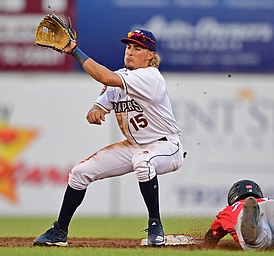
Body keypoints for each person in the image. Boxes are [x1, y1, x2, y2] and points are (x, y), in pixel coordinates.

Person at [33, 29, 185, 247]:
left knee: (143, 162)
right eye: (128, 47)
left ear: (150, 55)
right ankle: (59, 232)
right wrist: (95, 110)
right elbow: (101, 103)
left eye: (138, 48)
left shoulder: (150, 77)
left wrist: (75, 51)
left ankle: (155, 227)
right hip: (134, 145)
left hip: (166, 146)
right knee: (79, 173)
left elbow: (104, 77)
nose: (130, 51)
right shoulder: (122, 77)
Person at [203, 179, 274, 250]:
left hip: (243, 213)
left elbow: (211, 237)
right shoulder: (268, 199)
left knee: (259, 241)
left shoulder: (229, 210)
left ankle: (254, 235)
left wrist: (206, 247)